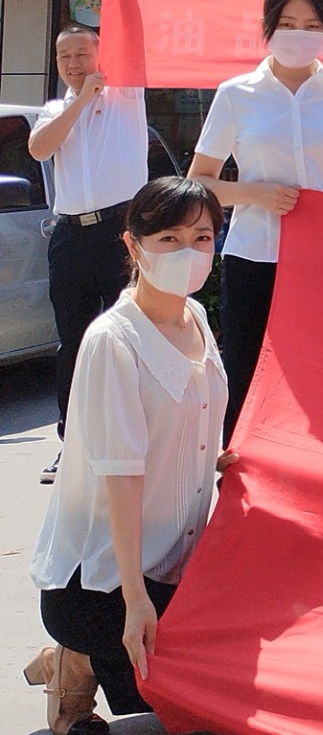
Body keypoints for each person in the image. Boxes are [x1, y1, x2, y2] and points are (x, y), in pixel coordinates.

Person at [27, 177, 232, 735]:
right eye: (169, 238)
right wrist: (137, 601)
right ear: (132, 245)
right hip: (103, 580)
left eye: (201, 237)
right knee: (189, 695)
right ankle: (75, 662)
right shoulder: (113, 341)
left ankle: (86, 659)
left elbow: (188, 420)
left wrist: (216, 457)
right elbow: (122, 477)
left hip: (177, 561)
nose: (188, 252)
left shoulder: (197, 319)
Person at [187, 0, 323, 444]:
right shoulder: (236, 94)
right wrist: (256, 194)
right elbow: (199, 183)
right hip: (255, 257)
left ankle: (321, 477)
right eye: (288, 23)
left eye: (311, 25)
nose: (299, 34)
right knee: (248, 372)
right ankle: (241, 476)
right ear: (268, 26)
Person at [28, 24, 149, 485]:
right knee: (73, 341)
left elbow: (134, 38)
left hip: (121, 230)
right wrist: (79, 100)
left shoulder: (127, 96)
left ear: (102, 54)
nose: (74, 64)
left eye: (82, 54)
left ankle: (137, 441)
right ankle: (72, 444)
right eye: (65, 57)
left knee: (131, 336)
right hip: (70, 235)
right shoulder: (54, 109)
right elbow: (40, 148)